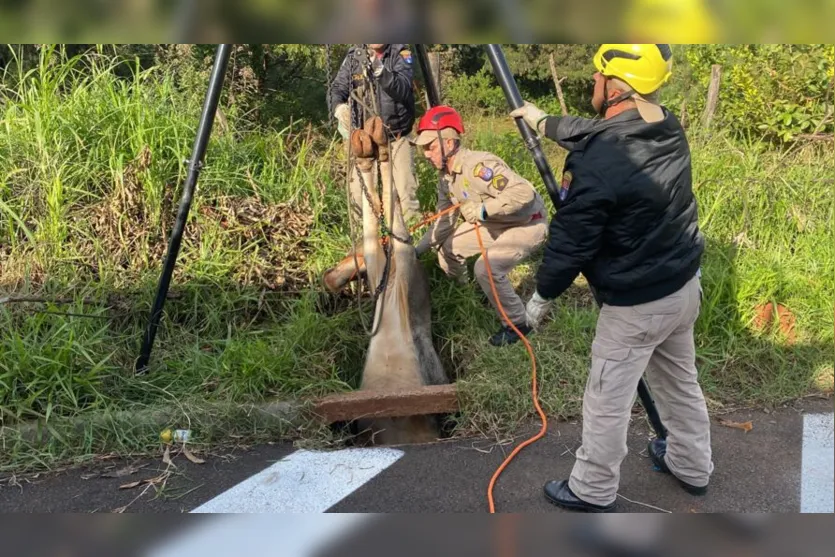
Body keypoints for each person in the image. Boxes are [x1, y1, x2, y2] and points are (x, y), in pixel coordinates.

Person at [511, 44, 713, 512]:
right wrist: (543, 121)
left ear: (613, 85)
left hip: (636, 306)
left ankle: (592, 489)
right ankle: (691, 466)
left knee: (606, 400)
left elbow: (571, 241)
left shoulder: (599, 162)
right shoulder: (666, 123)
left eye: (598, 75)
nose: (592, 83)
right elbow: (599, 131)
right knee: (681, 385)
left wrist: (540, 298)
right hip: (682, 288)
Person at [412, 105, 547, 347]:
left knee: (486, 267)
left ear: (450, 143)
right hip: (494, 225)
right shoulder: (446, 179)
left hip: (527, 224)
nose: (425, 153)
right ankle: (470, 295)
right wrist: (414, 252)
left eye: (430, 146)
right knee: (447, 250)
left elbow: (523, 194)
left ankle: (517, 325)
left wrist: (484, 210)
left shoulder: (478, 167)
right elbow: (443, 223)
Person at [328, 43, 421, 223]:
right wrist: (338, 107)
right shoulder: (354, 57)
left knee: (404, 192)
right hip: (365, 142)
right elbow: (337, 88)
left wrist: (380, 70)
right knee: (358, 194)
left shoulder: (401, 52)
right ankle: (369, 241)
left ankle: (412, 242)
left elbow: (403, 88)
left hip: (395, 137)